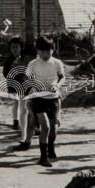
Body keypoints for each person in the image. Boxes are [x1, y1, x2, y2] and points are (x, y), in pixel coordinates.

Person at [25, 37, 66, 167]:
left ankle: (51, 149)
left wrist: (57, 85)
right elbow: (27, 79)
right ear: (37, 51)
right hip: (38, 98)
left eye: (48, 51)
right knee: (45, 127)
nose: (45, 54)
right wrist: (34, 86)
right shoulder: (33, 64)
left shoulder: (57, 63)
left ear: (52, 50)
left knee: (53, 129)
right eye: (42, 51)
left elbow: (62, 77)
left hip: (53, 98)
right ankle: (43, 157)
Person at [3, 37, 36, 150]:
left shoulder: (26, 59)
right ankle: (16, 121)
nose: (14, 49)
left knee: (24, 108)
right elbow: (5, 73)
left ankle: (24, 132)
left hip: (25, 85)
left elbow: (30, 72)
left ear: (21, 48)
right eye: (12, 47)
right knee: (16, 102)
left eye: (16, 47)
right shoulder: (9, 60)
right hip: (13, 84)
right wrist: (13, 68)